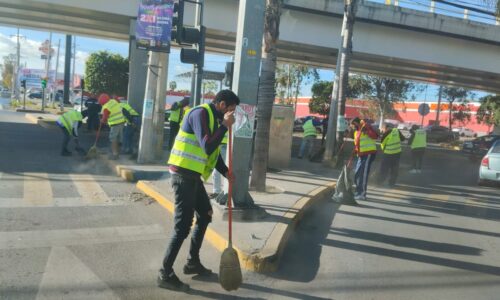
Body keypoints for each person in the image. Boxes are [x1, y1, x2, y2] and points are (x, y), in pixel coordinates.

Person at [158, 90, 239, 292]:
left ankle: (192, 262)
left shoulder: (216, 119)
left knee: (205, 214)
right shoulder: (200, 114)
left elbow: (214, 155)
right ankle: (164, 273)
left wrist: (226, 171)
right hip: (182, 175)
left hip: (193, 176)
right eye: (230, 109)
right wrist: (224, 126)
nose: (232, 114)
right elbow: (207, 146)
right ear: (221, 104)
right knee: (183, 226)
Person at [352, 117, 378, 200]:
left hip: (368, 154)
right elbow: (357, 143)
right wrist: (356, 151)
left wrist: (367, 131)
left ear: (357, 122)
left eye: (353, 124)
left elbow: (375, 136)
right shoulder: (356, 132)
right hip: (361, 155)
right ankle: (357, 191)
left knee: (363, 174)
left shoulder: (366, 127)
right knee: (357, 173)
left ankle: (362, 194)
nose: (353, 126)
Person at [98, 93, 126, 160]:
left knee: (113, 138)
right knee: (119, 138)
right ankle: (118, 153)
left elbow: (104, 118)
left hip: (115, 124)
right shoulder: (113, 101)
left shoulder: (106, 107)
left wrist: (102, 121)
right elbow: (118, 102)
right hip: (122, 122)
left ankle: (115, 154)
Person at [209, 132, 228, 199]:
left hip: (222, 145)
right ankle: (218, 191)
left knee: (216, 171)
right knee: (218, 171)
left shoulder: (221, 121)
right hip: (221, 144)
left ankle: (217, 192)